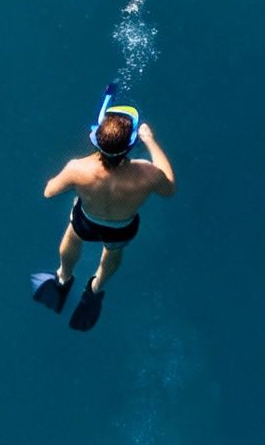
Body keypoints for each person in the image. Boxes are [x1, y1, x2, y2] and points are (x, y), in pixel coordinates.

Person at [29, 88, 176, 332]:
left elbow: (49, 192)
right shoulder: (147, 173)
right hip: (121, 227)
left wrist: (77, 177)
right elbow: (169, 189)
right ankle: (95, 289)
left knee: (72, 237)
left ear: (96, 138)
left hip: (86, 220)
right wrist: (150, 141)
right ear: (131, 144)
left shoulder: (77, 168)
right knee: (113, 252)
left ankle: (62, 278)